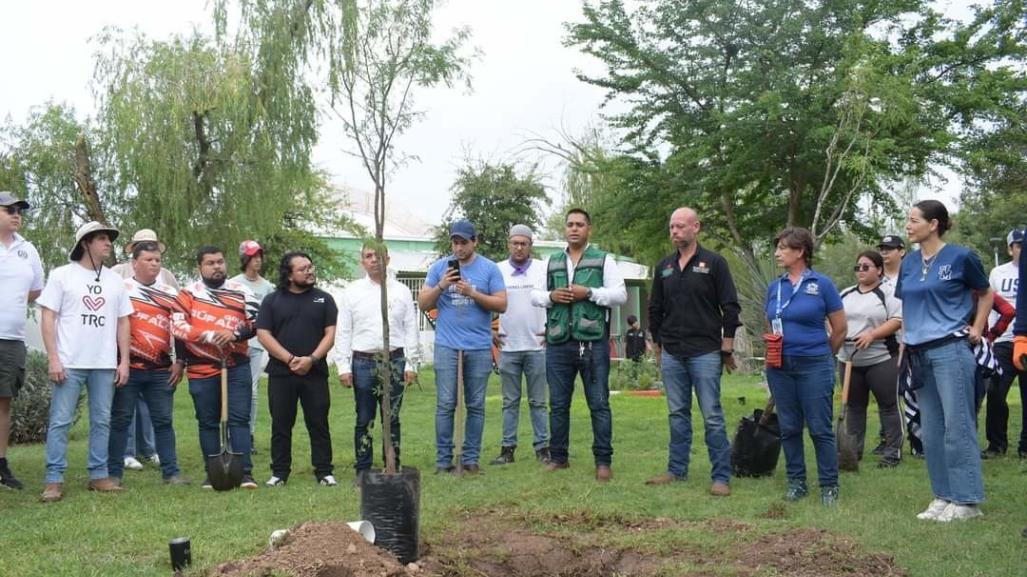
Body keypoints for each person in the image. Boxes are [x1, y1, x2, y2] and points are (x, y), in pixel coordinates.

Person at [896, 200, 991, 522]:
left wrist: (977, 327)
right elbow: (907, 306)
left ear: (933, 224)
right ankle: (943, 495)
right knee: (931, 429)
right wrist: (903, 346)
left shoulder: (962, 257)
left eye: (913, 220)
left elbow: (986, 293)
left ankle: (967, 501)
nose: (907, 226)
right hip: (918, 353)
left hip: (951, 349)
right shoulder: (909, 263)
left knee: (958, 425)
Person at [646, 207, 741, 495]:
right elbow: (655, 308)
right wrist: (658, 345)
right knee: (677, 413)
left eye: (680, 226)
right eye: (672, 227)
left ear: (696, 227)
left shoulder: (714, 263)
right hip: (673, 351)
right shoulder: (664, 266)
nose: (674, 231)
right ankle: (677, 470)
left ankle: (721, 476)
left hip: (705, 351)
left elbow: (730, 306)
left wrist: (727, 345)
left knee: (711, 414)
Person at [38, 221, 134, 502]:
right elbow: (47, 317)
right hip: (70, 362)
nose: (108, 244)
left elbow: (123, 321)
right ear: (86, 243)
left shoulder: (115, 280)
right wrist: (53, 358)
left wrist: (124, 360)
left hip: (103, 363)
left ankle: (99, 475)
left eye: (109, 239)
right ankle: (53, 479)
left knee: (102, 420)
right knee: (60, 421)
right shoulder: (62, 276)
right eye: (102, 239)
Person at [532, 208, 627, 482]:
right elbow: (534, 296)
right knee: (558, 404)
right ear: (565, 229)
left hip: (593, 342)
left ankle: (603, 461)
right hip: (559, 342)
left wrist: (591, 293)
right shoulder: (551, 261)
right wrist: (551, 296)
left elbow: (620, 294)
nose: (574, 228)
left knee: (598, 403)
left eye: (580, 224)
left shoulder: (603, 260)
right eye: (570, 224)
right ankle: (559, 458)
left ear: (589, 229)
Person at [764, 227, 846, 506]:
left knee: (819, 428)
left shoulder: (822, 285)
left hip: (814, 364)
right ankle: (796, 482)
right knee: (788, 426)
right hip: (780, 366)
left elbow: (840, 329)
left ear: (800, 252)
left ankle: (829, 485)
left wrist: (823, 355)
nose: (777, 253)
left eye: (783, 248)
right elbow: (769, 326)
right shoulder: (775, 288)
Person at [418, 220, 507, 474]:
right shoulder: (439, 268)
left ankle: (470, 459)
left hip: (478, 346)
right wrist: (442, 285)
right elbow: (423, 303)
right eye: (454, 243)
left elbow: (502, 304)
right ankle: (443, 460)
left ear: (474, 241)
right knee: (446, 404)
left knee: (476, 404)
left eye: (463, 243)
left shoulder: (489, 269)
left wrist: (473, 293)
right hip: (447, 345)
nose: (458, 248)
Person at [171, 246, 259, 489]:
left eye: (220, 261)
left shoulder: (242, 291)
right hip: (201, 367)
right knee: (208, 420)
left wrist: (233, 333)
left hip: (237, 365)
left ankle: (244, 474)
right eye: (210, 263)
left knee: (239, 419)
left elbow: (256, 323)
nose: (217, 266)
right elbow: (177, 328)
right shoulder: (187, 294)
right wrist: (209, 335)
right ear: (199, 267)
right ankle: (213, 474)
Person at [333, 243, 419, 481]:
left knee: (391, 418)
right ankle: (363, 470)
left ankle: (392, 465)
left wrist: (412, 363)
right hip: (363, 362)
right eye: (368, 256)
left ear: (388, 259)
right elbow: (344, 330)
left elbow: (411, 328)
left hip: (395, 360)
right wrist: (342, 366)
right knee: (364, 418)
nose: (374, 260)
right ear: (362, 262)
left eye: (378, 256)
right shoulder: (352, 292)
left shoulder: (401, 291)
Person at [106, 240, 187, 485]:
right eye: (148, 260)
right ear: (134, 263)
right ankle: (114, 473)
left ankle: (171, 472)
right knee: (121, 420)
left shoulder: (172, 294)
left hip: (161, 370)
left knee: (163, 422)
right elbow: (112, 326)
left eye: (157, 260)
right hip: (128, 368)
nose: (154, 264)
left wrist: (180, 361)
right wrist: (118, 362)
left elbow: (180, 328)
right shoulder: (122, 288)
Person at [257, 252, 338, 487]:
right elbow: (263, 334)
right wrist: (290, 359)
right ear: (289, 275)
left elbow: (330, 334)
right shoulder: (272, 301)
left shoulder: (325, 299)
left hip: (315, 373)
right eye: (303, 269)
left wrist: (311, 359)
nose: (309, 271)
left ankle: (324, 471)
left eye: (310, 267)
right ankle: (279, 473)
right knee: (281, 423)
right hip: (282, 374)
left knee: (319, 423)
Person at [489, 225, 549, 466]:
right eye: (515, 243)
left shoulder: (543, 269)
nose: (519, 247)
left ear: (530, 245)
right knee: (509, 402)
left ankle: (543, 448)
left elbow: (555, 299)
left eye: (524, 243)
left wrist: (552, 330)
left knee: (538, 401)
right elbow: (485, 302)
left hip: (537, 346)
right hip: (508, 346)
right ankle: (507, 450)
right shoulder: (497, 270)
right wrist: (488, 329)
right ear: (508, 244)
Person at [838, 250, 904, 468]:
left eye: (866, 267)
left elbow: (897, 320)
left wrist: (872, 334)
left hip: (880, 358)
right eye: (858, 267)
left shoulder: (889, 293)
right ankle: (852, 453)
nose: (861, 271)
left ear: (879, 270)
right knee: (855, 407)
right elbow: (833, 317)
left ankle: (892, 452)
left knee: (888, 406)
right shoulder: (846, 294)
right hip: (848, 360)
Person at [0, 192, 44, 490]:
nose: (17, 214)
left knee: (4, 402)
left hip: (12, 339)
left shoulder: (28, 249)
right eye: (10, 210)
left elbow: (35, 291)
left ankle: (1, 465)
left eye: (20, 210)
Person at [982, 229, 1025, 459]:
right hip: (1003, 342)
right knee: (996, 393)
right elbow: (988, 305)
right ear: (1010, 248)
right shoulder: (998, 272)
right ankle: (996, 445)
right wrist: (990, 338)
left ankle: (1025, 447)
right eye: (1018, 244)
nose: (1022, 248)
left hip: (1026, 341)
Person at [230, 240, 275, 452]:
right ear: (244, 259)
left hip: (256, 345)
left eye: (259, 256)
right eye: (253, 257)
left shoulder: (267, 287)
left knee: (253, 390)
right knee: (234, 389)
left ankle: (249, 433)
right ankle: (232, 433)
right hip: (235, 344)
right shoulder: (233, 284)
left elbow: (269, 317)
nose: (257, 260)